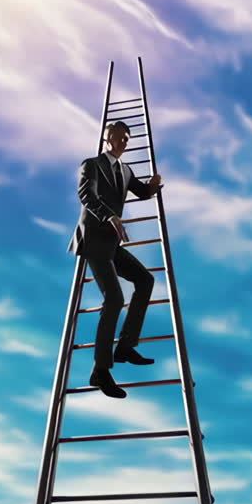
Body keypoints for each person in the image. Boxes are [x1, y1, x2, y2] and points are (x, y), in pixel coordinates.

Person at [66, 120, 164, 398]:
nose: (124, 142)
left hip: (112, 242)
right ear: (108, 138)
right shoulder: (92, 164)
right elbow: (86, 194)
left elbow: (141, 192)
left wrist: (153, 186)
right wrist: (109, 215)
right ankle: (100, 371)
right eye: (119, 137)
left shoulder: (126, 170)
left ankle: (125, 347)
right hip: (94, 238)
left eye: (127, 138)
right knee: (114, 299)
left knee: (145, 280)